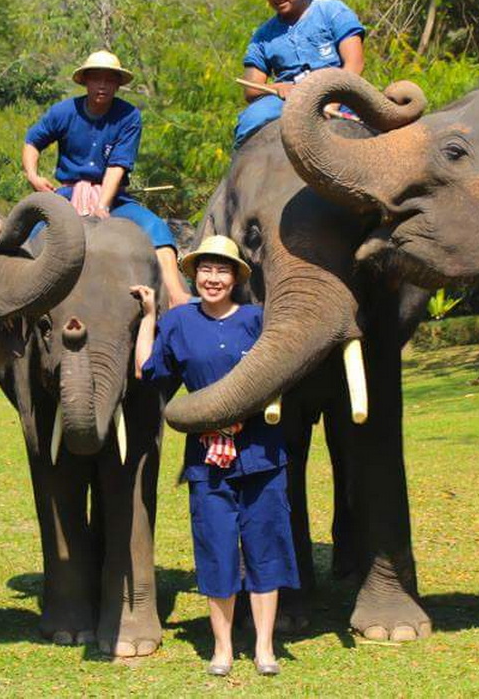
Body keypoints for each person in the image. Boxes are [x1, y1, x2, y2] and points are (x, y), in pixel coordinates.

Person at [130, 236, 297, 677]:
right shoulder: (180, 322)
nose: (213, 278)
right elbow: (146, 370)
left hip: (261, 454)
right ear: (194, 274)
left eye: (222, 270)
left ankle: (264, 647)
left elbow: (285, 369)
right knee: (217, 551)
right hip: (208, 460)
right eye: (206, 269)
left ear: (236, 277)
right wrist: (150, 318)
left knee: (265, 550)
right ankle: (222, 648)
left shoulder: (258, 321)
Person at [23, 50, 191, 307]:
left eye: (109, 79)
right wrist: (34, 176)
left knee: (156, 227)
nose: (102, 85)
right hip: (68, 192)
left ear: (117, 84)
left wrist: (102, 204)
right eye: (96, 78)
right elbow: (32, 141)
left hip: (114, 195)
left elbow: (118, 165)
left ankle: (175, 294)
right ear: (86, 81)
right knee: (33, 231)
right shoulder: (63, 111)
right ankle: (22, 295)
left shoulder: (128, 116)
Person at [235, 0, 365, 147]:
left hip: (339, 92)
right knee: (251, 119)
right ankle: (239, 176)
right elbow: (251, 90)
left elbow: (355, 63)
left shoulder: (333, 11)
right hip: (286, 103)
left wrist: (333, 101)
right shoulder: (262, 36)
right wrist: (276, 87)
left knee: (385, 125)